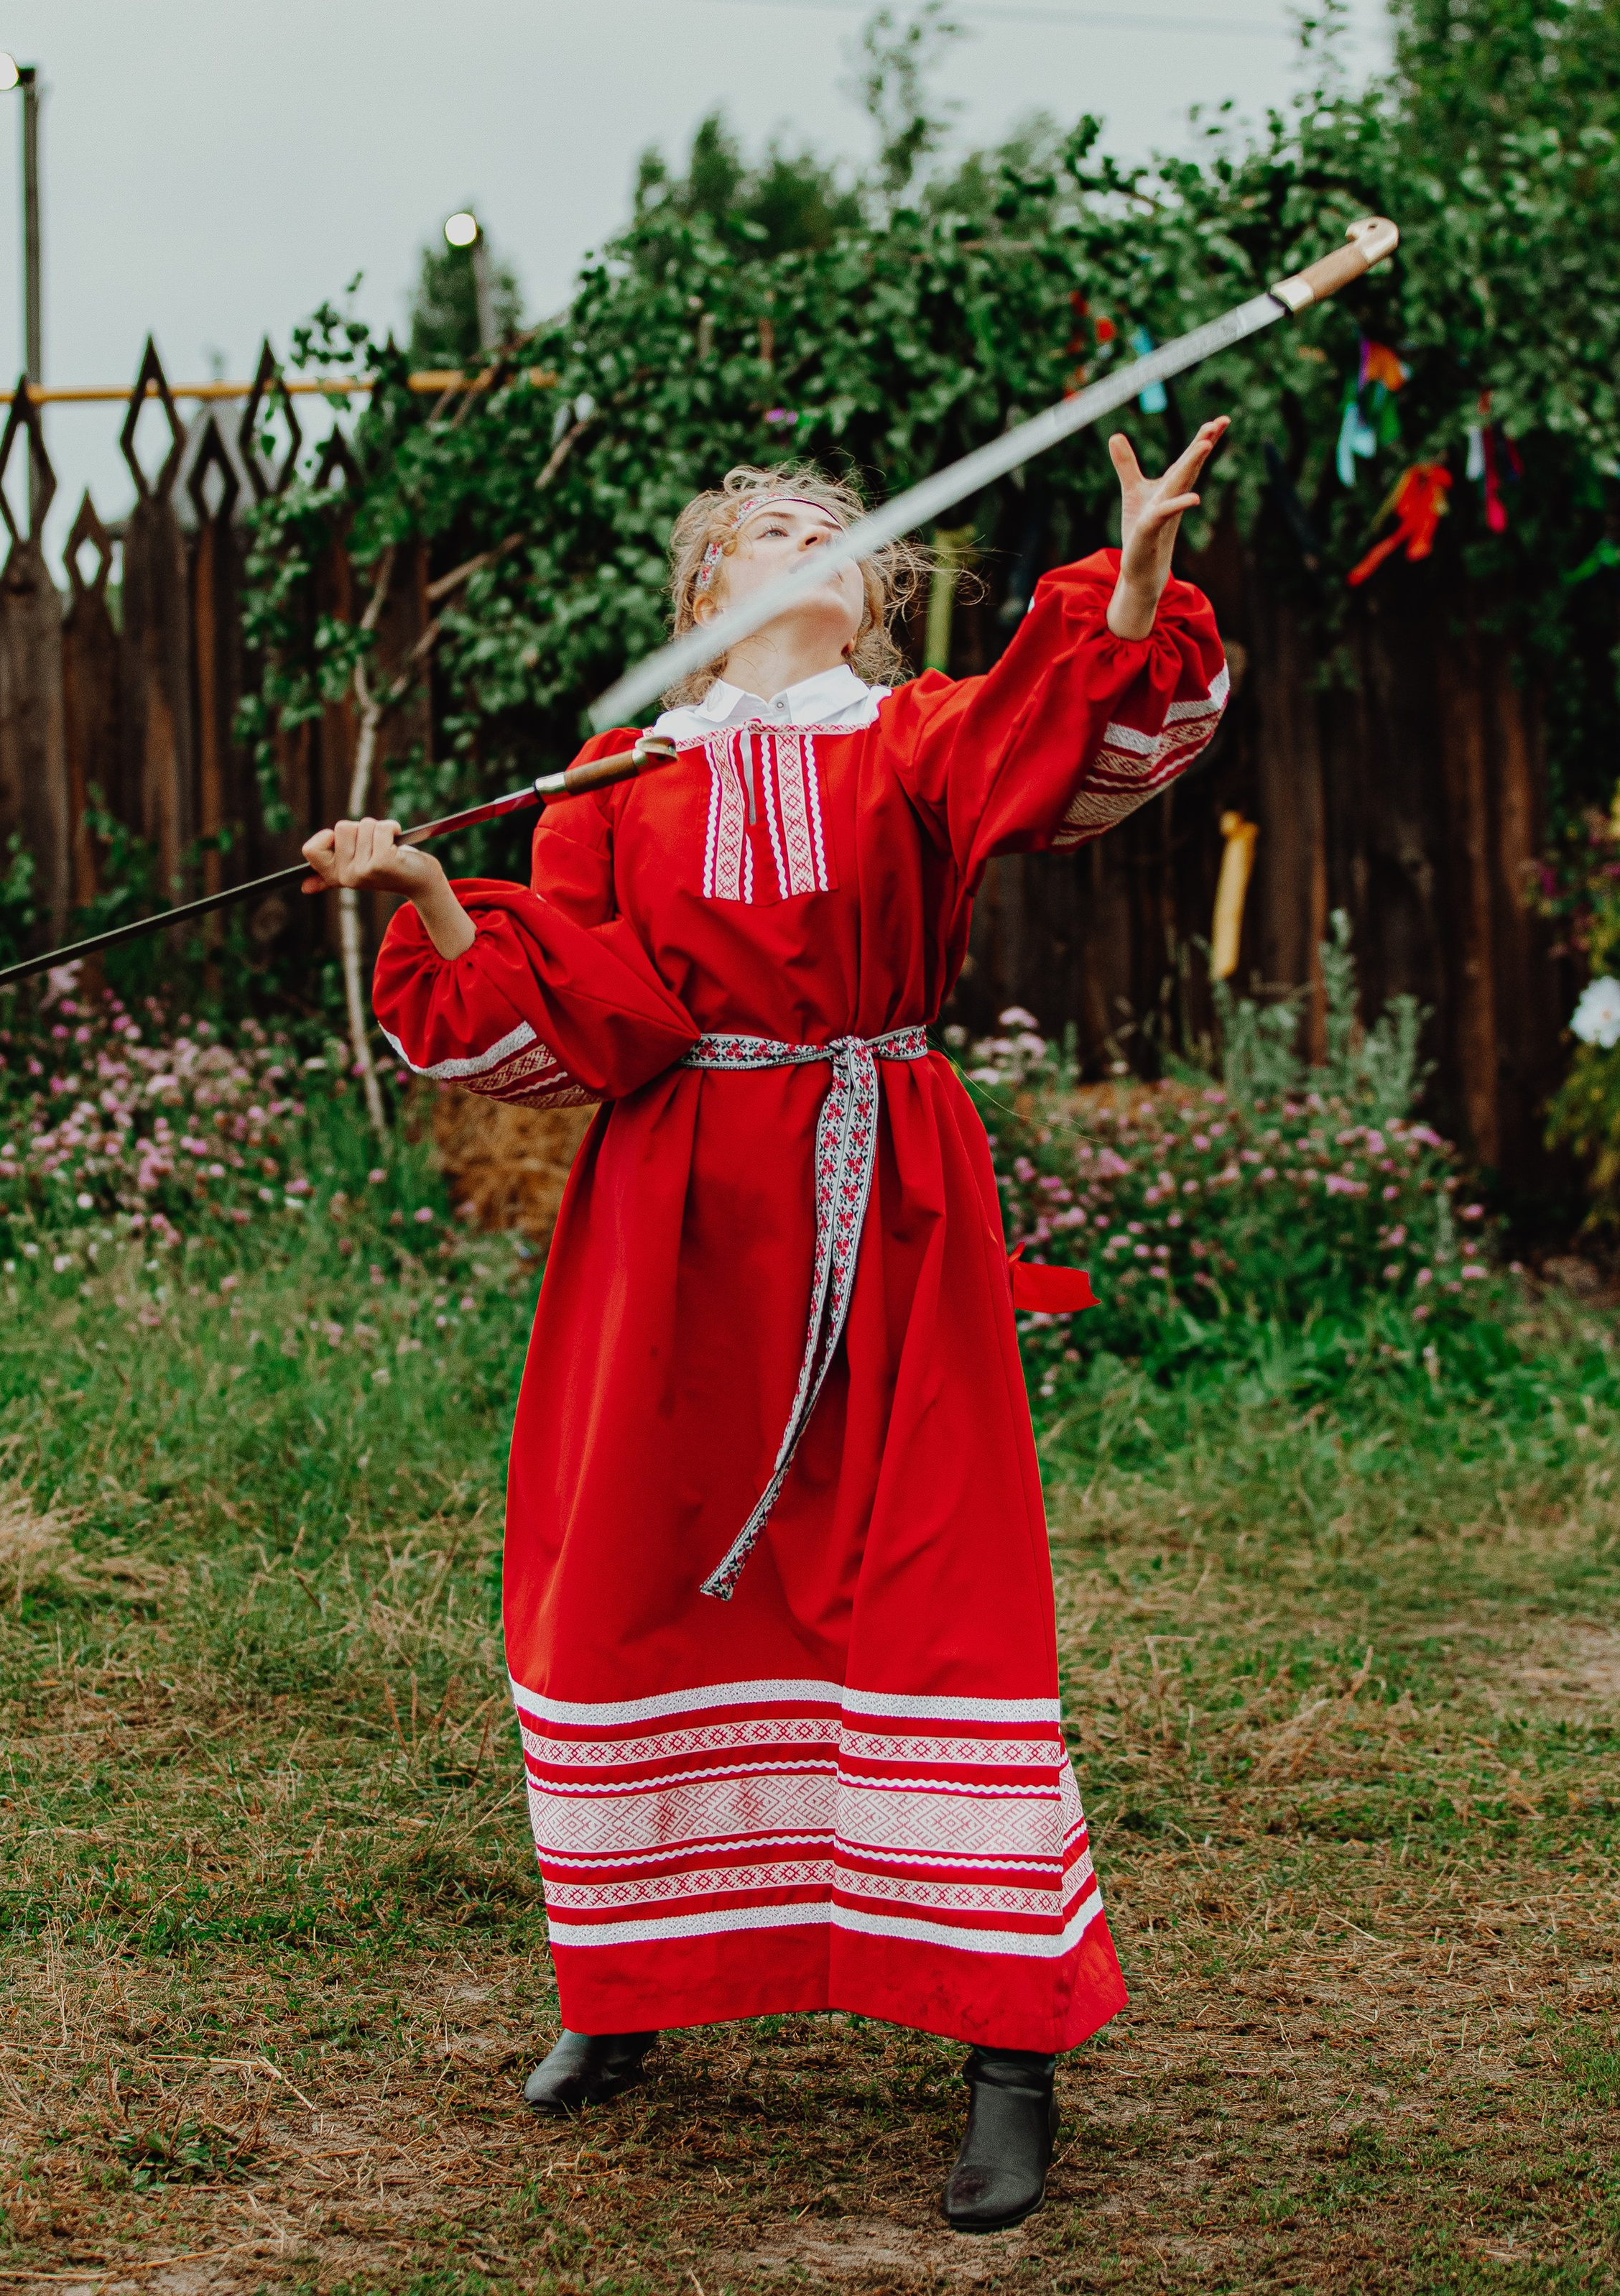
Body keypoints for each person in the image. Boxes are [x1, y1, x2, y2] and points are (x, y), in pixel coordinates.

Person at [301, 420, 1228, 2233]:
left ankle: (1002, 2048)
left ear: (871, 594)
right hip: (673, 1226)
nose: (805, 538)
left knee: (937, 1584)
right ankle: (628, 1983)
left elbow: (1071, 749)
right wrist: (421, 887)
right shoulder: (615, 782)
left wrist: (1125, 586)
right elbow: (580, 1025)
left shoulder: (913, 738)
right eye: (764, 527)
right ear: (706, 589)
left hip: (883, 1197)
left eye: (837, 529)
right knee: (630, 1573)